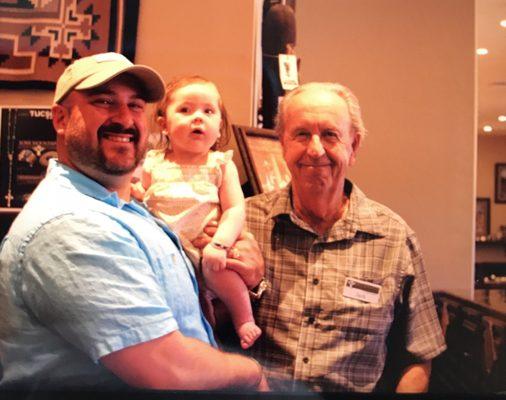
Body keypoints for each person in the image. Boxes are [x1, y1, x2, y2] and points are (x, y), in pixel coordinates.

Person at [0, 52, 267, 391]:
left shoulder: (125, 208)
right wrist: (252, 373)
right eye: (104, 102)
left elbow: (181, 316)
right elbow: (168, 370)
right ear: (60, 119)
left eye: (136, 105)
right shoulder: (72, 228)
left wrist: (246, 276)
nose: (125, 119)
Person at [234, 82, 446, 392]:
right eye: (301, 134)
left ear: (354, 146)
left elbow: (418, 355)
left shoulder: (394, 238)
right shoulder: (243, 222)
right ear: (282, 143)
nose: (315, 149)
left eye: (330, 135)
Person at [131, 75, 261, 349]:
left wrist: (220, 243)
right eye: (185, 110)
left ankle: (244, 319)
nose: (198, 118)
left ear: (219, 126)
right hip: (167, 250)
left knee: (221, 273)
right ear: (164, 124)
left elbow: (235, 209)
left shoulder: (220, 165)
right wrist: (137, 194)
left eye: (208, 111)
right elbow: (142, 199)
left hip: (206, 250)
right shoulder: (153, 163)